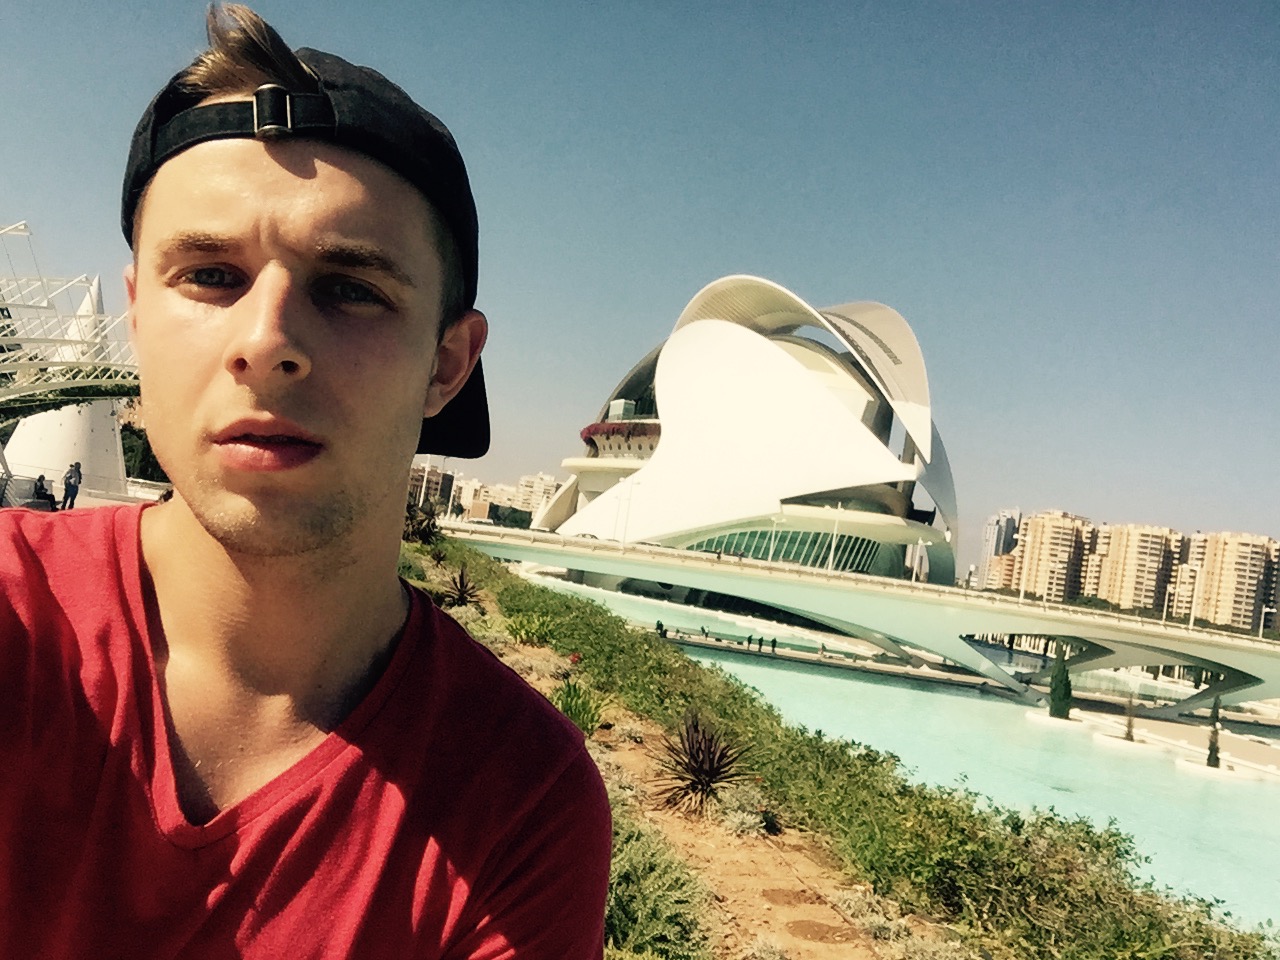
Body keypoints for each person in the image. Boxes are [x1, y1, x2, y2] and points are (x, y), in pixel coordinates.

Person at [0, 6, 611, 959]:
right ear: (137, 315)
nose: (267, 341)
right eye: (210, 275)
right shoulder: (15, 618)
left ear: (448, 364)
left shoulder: (517, 800)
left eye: (352, 288)